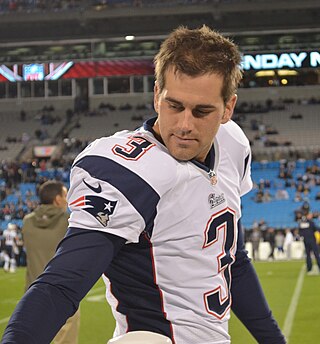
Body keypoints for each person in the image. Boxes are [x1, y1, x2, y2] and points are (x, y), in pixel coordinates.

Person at [1, 25, 286, 344]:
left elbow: (232, 257)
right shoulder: (127, 170)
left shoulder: (233, 143)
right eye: (174, 105)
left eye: (202, 111)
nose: (185, 125)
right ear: (156, 96)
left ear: (228, 109)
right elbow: (60, 285)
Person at [22, 180, 80, 344]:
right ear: (57, 200)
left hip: (32, 294)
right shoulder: (69, 222)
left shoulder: (27, 222)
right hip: (62, 294)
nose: (67, 200)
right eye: (65, 195)